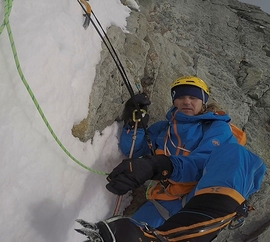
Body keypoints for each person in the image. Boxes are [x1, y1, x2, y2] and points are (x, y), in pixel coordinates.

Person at [75, 76, 266, 241]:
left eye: (193, 97)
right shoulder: (163, 129)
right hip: (163, 202)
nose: (187, 101)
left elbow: (201, 164)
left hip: (199, 198)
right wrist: (134, 123)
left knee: (237, 154)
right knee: (123, 234)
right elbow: (133, 149)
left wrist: (158, 166)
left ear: (203, 102)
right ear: (174, 101)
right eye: (181, 97)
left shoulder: (215, 127)